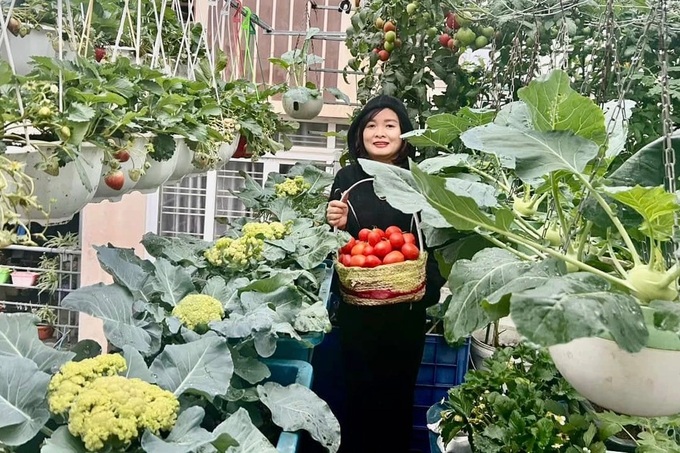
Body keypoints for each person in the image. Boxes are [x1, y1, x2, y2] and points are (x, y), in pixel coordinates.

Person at [326, 95, 445, 453]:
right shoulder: (347, 178)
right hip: (357, 313)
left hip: (405, 313)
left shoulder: (420, 180)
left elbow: (432, 241)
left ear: (404, 133)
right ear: (359, 134)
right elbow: (339, 247)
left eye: (390, 125)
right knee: (356, 399)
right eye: (371, 126)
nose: (380, 133)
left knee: (396, 399)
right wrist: (336, 221)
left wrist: (428, 288)